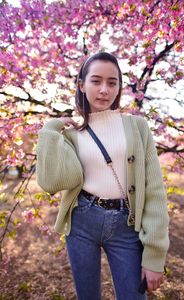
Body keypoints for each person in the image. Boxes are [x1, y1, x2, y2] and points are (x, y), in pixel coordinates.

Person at [36, 52, 169, 300]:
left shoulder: (137, 127)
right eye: (96, 81)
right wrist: (50, 131)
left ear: (119, 86)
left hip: (126, 225)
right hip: (82, 221)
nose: (104, 90)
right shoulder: (71, 134)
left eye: (112, 82)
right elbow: (50, 183)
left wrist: (154, 254)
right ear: (82, 84)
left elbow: (154, 190)